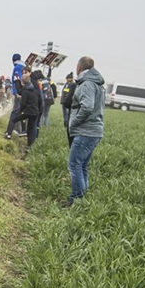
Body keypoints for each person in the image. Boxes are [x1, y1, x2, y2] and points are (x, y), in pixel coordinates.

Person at [65, 56, 105, 207]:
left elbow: (87, 107)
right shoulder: (96, 83)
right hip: (93, 131)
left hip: (85, 131)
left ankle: (76, 200)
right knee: (82, 165)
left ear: (80, 68)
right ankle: (82, 198)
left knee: (74, 164)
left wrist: (74, 122)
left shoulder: (87, 84)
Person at [4, 53, 26, 139]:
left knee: (16, 112)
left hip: (19, 93)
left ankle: (15, 130)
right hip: (24, 93)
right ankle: (21, 130)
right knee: (20, 111)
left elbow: (17, 80)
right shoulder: (23, 66)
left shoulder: (17, 67)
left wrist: (17, 92)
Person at [19, 70, 44, 148]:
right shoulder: (36, 84)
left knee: (32, 126)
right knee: (33, 125)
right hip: (37, 107)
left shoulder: (32, 83)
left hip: (33, 108)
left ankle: (30, 144)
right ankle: (31, 143)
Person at [59, 72, 77, 147]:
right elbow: (64, 93)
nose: (67, 79)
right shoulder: (66, 84)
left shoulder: (71, 85)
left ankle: (66, 124)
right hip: (64, 101)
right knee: (64, 114)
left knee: (67, 115)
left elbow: (68, 94)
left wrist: (66, 101)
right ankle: (65, 123)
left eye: (68, 78)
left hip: (67, 102)